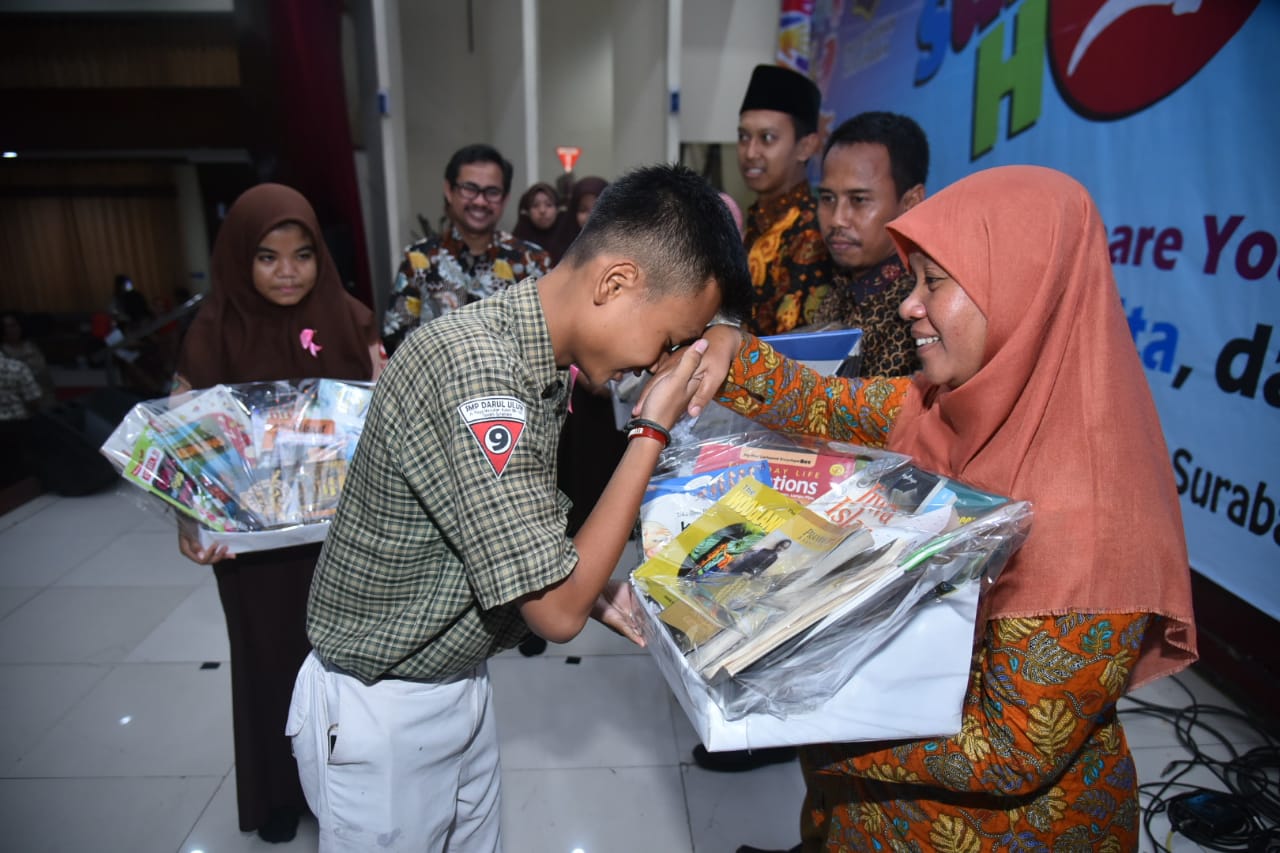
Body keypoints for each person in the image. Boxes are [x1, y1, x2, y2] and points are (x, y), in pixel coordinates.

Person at [668, 165, 1197, 852]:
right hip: (863, 814)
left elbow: (1008, 749)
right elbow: (827, 404)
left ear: (1021, 288)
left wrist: (788, 712)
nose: (909, 305)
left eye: (935, 283)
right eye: (912, 281)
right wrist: (725, 348)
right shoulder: (956, 406)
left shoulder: (1096, 515)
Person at [288, 164, 752, 852]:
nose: (658, 362)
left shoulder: (525, 347)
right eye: (666, 339)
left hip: (450, 679)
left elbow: (505, 523)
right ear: (616, 282)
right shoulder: (480, 369)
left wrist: (589, 582)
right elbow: (555, 613)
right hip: (380, 706)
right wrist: (650, 431)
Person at [173, 183, 384, 843]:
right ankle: (277, 793)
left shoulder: (350, 317)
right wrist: (189, 522)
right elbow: (183, 438)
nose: (288, 271)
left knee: (342, 664)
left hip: (338, 536)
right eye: (268, 256)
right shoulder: (216, 326)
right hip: (253, 546)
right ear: (241, 258)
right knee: (269, 660)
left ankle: (344, 789)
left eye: (303, 254)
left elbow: (380, 416)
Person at [382, 143, 552, 352]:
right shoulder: (419, 260)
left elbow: (550, 340)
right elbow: (395, 340)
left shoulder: (531, 261)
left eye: (492, 192)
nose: (480, 201)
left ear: (505, 198)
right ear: (449, 190)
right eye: (469, 189)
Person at [810, 111, 930, 377]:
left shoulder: (920, 309)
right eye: (828, 198)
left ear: (911, 202)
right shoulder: (840, 287)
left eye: (859, 200)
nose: (838, 219)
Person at [737, 64, 833, 335]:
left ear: (806, 146)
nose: (750, 152)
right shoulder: (755, 222)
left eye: (767, 138)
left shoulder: (815, 229)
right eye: (743, 137)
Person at [2, 313, 56, 410]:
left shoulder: (32, 346)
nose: (10, 330)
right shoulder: (3, 351)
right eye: (6, 327)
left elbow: (44, 372)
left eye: (13, 325)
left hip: (45, 401)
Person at [512, 181, 571, 266]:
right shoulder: (516, 244)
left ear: (557, 209)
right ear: (527, 211)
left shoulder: (571, 240)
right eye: (535, 205)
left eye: (549, 205)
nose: (542, 210)